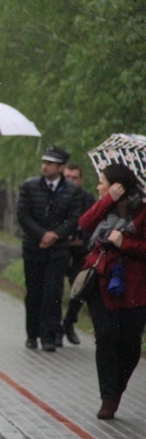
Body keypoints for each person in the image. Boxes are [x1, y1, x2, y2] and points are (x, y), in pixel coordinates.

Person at [78, 164, 146, 420]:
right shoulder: (105, 205)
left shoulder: (142, 211)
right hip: (102, 283)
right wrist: (108, 199)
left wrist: (124, 242)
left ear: (118, 184)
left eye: (102, 182)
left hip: (134, 288)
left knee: (129, 344)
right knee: (105, 338)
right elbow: (85, 223)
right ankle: (108, 397)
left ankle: (117, 391)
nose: (98, 186)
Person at [17, 146, 83, 352]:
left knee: (53, 292)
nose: (45, 166)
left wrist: (55, 235)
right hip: (34, 247)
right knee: (34, 291)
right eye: (44, 162)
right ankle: (32, 333)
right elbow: (23, 215)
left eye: (50, 163)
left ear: (60, 167)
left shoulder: (73, 191)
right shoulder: (30, 186)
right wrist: (42, 234)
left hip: (58, 250)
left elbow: (74, 218)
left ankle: (49, 335)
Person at [61, 163, 96, 344]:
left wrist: (82, 238)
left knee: (80, 287)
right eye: (68, 177)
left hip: (80, 250)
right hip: (60, 248)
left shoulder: (87, 197)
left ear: (81, 180)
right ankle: (53, 327)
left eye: (75, 178)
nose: (71, 181)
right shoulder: (59, 194)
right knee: (53, 289)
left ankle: (69, 321)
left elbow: (93, 221)